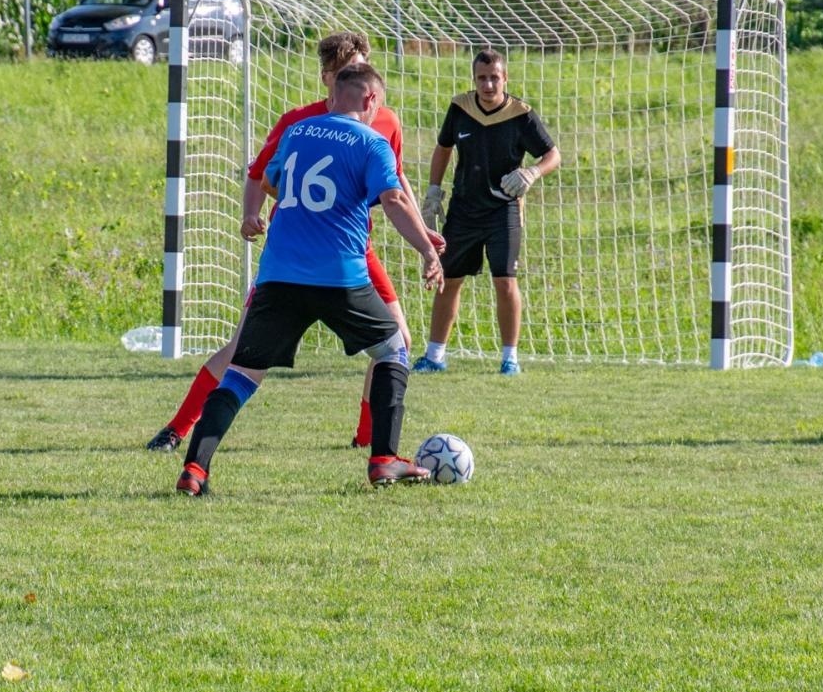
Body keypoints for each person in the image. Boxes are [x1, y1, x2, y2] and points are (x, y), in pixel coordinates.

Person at [145, 31, 429, 452]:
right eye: (348, 69)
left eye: (364, 65)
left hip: (355, 249)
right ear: (327, 78)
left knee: (398, 342)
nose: (360, 74)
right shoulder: (298, 121)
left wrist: (422, 231)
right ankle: (177, 428)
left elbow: (397, 181)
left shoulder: (384, 118)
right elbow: (261, 173)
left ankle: (369, 442)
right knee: (241, 348)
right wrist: (250, 213)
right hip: (296, 247)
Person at [413, 49, 561, 376]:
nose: (488, 84)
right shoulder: (460, 108)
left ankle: (510, 359)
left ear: (505, 78)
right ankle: (435, 356)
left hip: (502, 211)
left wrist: (532, 173)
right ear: (474, 79)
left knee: (505, 282)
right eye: (482, 77)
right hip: (463, 209)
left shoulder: (522, 115)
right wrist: (433, 191)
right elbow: (443, 148)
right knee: (448, 280)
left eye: (495, 77)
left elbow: (553, 155)